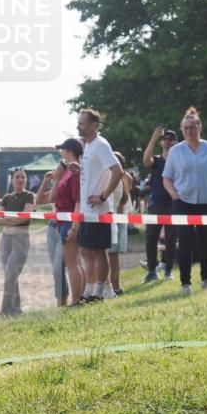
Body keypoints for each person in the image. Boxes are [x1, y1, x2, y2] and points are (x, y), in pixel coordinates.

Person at [163, 107, 207, 295]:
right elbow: (167, 177)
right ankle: (185, 283)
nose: (189, 131)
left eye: (192, 127)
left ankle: (206, 278)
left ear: (200, 128)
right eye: (185, 128)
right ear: (182, 130)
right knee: (186, 242)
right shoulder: (175, 151)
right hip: (183, 202)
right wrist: (174, 195)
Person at [75, 108, 123, 303]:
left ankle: (99, 293)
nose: (78, 126)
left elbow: (117, 171)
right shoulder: (88, 146)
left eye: (82, 123)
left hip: (99, 210)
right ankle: (89, 292)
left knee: (99, 251)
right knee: (88, 251)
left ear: (94, 126)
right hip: (87, 210)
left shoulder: (101, 144)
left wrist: (103, 196)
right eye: (78, 123)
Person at [35, 139, 83, 307]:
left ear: (69, 150)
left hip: (69, 222)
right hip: (62, 222)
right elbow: (42, 199)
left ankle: (77, 300)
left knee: (71, 263)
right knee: (71, 263)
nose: (60, 152)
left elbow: (78, 201)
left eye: (62, 149)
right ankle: (76, 299)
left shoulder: (74, 171)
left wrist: (75, 227)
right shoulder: (69, 171)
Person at [0, 168, 35, 316]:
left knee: (11, 274)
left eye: (23, 177)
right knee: (10, 275)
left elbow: (25, 217)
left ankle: (4, 311)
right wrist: (12, 220)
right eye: (17, 177)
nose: (20, 180)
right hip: (5, 240)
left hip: (21, 240)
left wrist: (7, 220)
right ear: (12, 179)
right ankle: (16, 310)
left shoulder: (29, 195)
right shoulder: (6, 197)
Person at [142, 127, 178, 282]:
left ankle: (168, 270)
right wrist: (153, 139)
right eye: (165, 139)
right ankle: (152, 271)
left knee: (170, 239)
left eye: (170, 139)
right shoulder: (157, 160)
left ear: (175, 142)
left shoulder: (178, 161)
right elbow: (146, 160)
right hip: (156, 204)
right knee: (151, 237)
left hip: (173, 204)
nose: (167, 141)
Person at [107, 152, 134, 297]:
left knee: (112, 256)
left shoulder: (118, 180)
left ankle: (115, 286)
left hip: (116, 219)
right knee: (113, 256)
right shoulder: (125, 178)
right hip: (120, 219)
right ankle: (116, 285)